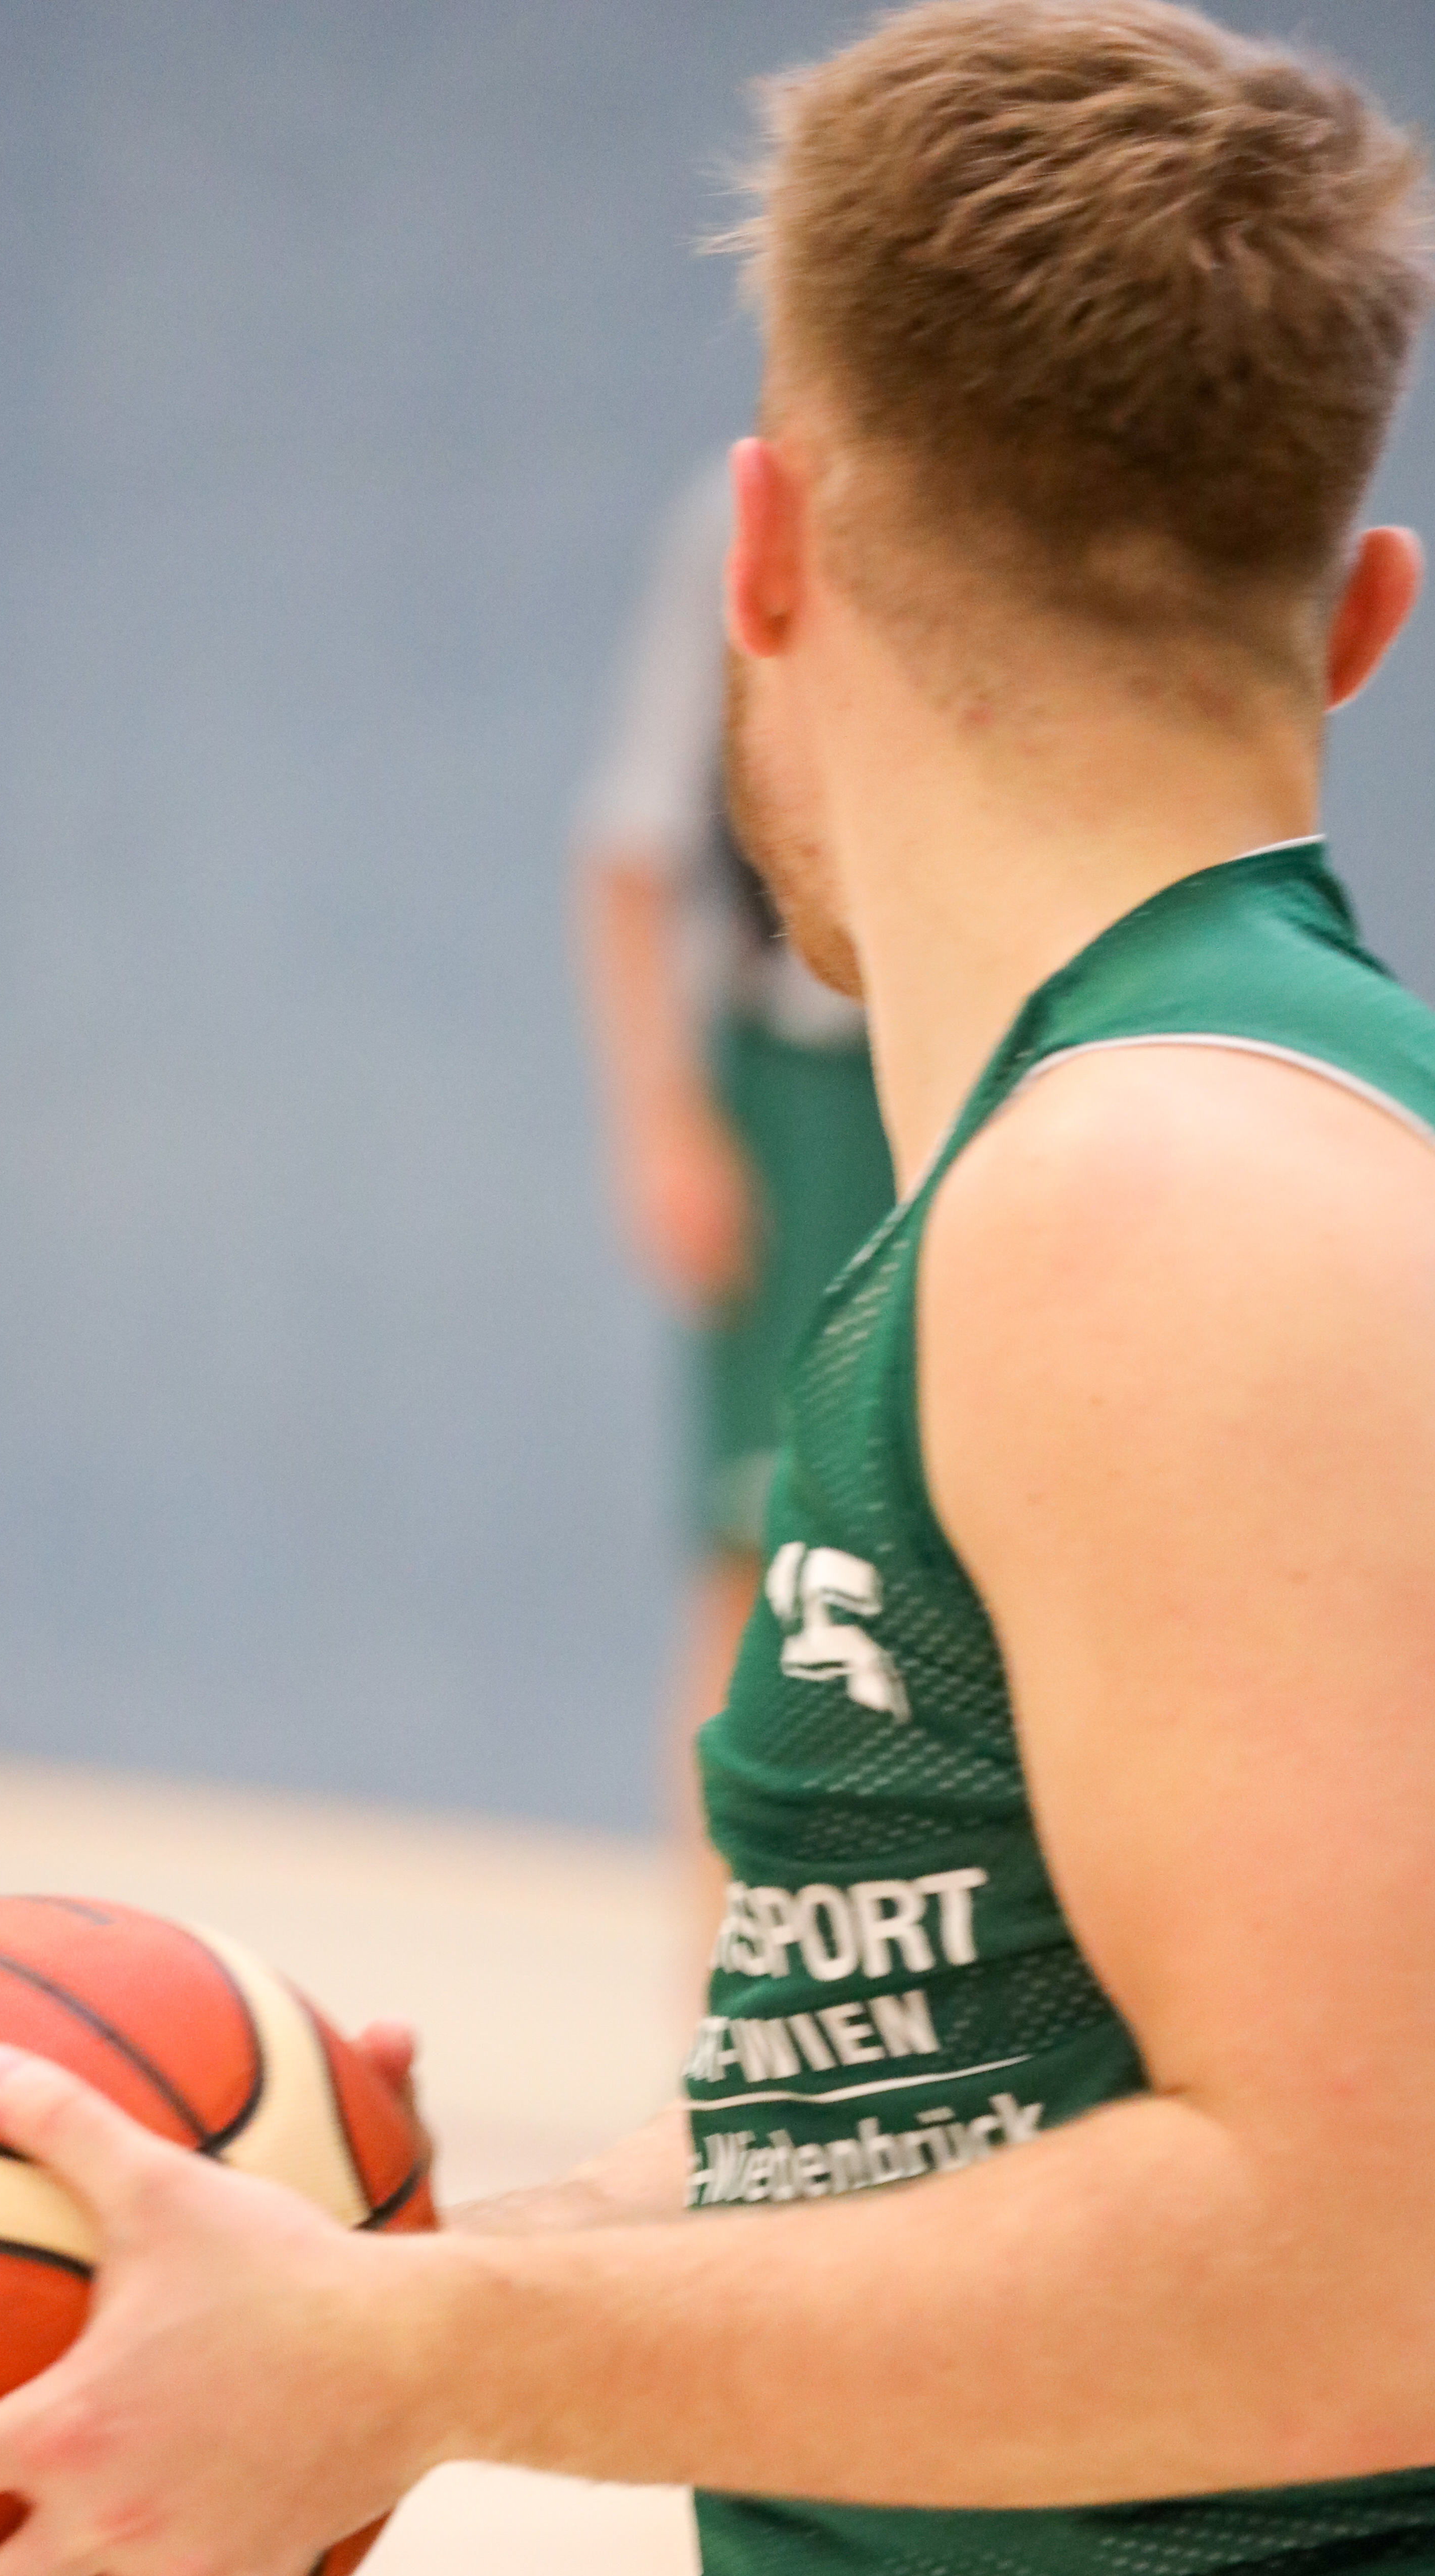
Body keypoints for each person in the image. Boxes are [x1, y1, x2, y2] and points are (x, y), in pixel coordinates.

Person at [0, 10, 1435, 2576]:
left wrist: (427, 2358)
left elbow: (1374, 2283)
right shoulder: (1211, 1154)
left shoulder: (1171, 1205)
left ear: (763, 552)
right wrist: (378, 2279)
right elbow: (1012, 2109)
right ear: (1368, 612)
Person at [575, 459, 894, 1902]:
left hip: (983, 1074)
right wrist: (663, 1120)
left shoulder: (1020, 475)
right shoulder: (744, 513)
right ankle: (716, 1985)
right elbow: (629, 852)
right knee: (754, 1564)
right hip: (802, 1094)